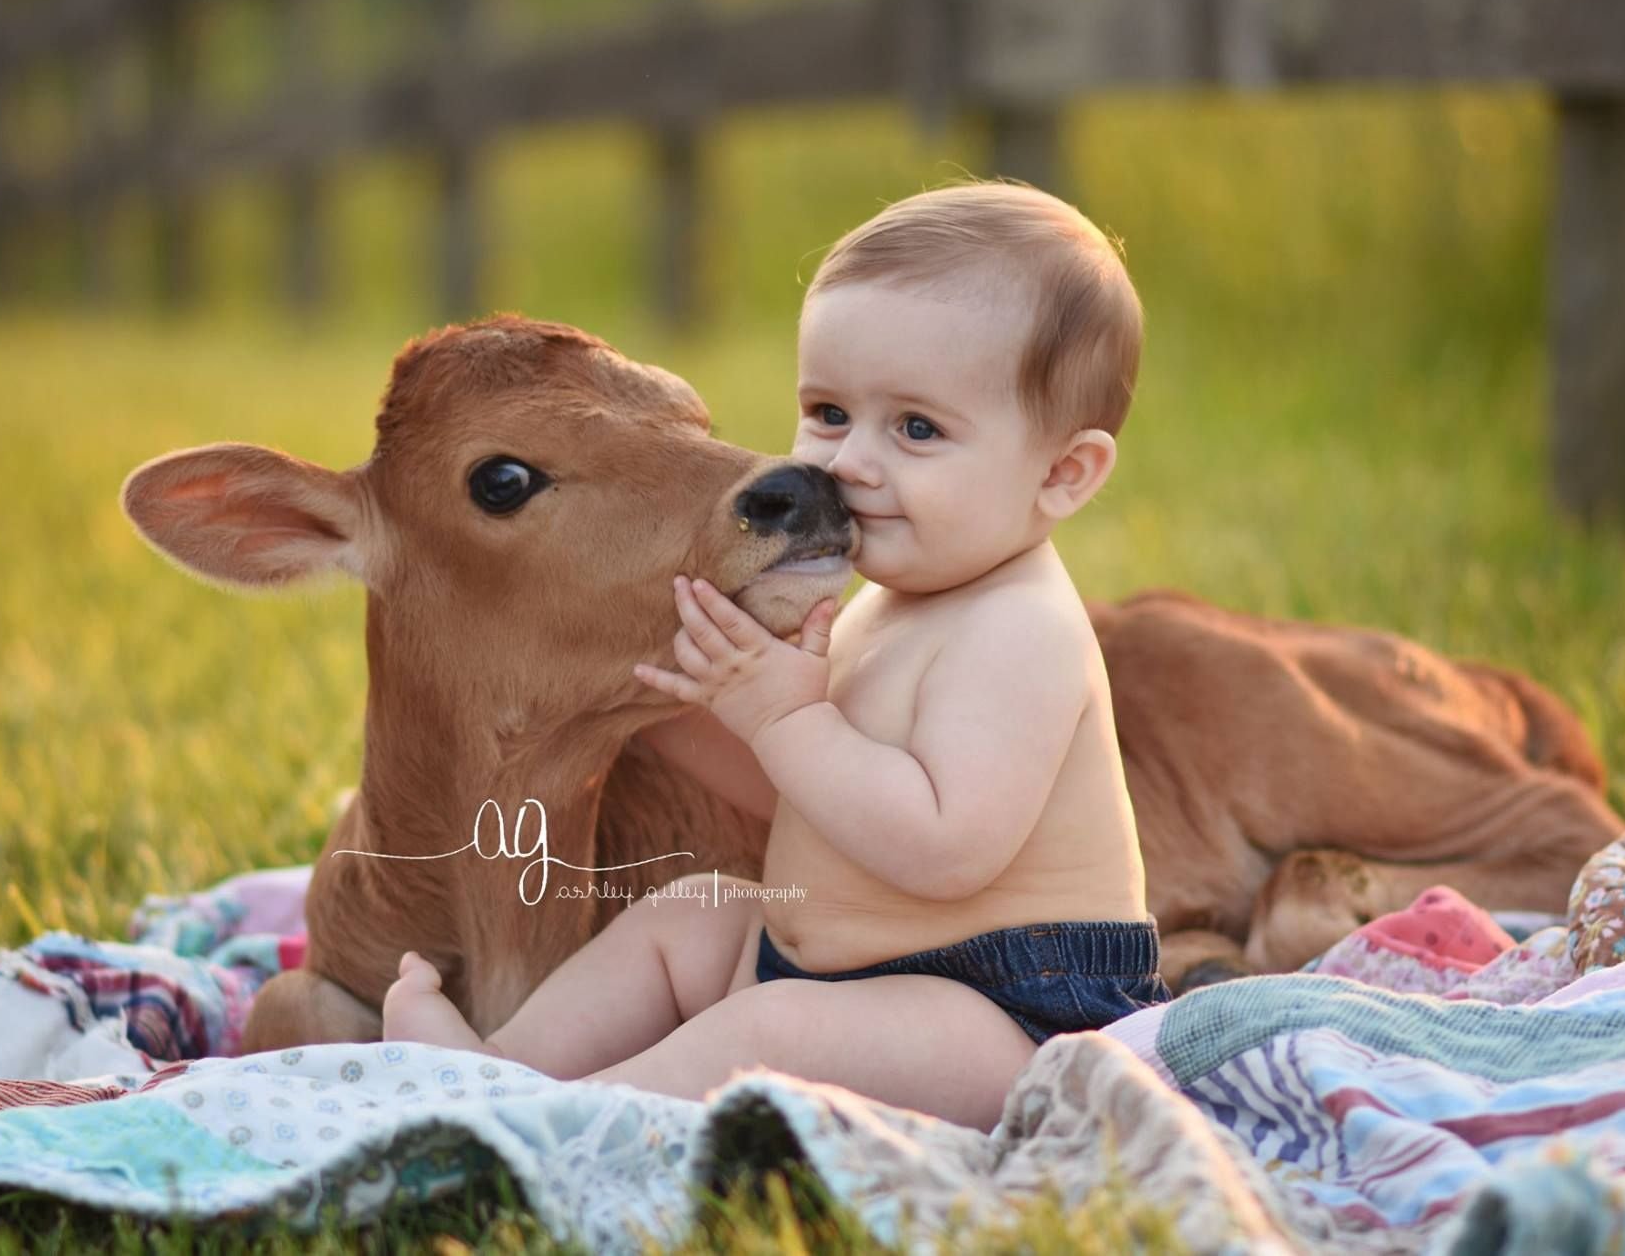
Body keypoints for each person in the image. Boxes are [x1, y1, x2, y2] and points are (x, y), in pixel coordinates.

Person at [381, 179, 1162, 1131]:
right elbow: (817, 798)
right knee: (695, 909)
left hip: (1007, 1012)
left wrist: (786, 717)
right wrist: (691, 707)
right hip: (848, 970)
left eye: (916, 429)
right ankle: (499, 1068)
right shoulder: (892, 604)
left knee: (778, 1026)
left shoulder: (1019, 631)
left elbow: (945, 845)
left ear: (1062, 473)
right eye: (830, 413)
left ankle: (562, 1123)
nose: (851, 463)